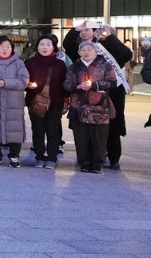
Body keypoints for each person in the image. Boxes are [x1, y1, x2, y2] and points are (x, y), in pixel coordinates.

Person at [62, 21, 131, 170]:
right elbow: (68, 45)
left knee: (111, 126)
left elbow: (126, 55)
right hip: (84, 95)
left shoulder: (110, 47)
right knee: (85, 127)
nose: (84, 32)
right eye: (83, 30)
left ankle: (113, 157)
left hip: (111, 94)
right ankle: (86, 158)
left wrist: (111, 38)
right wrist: (76, 29)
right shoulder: (84, 48)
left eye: (88, 30)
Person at [64, 40, 116, 173]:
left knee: (99, 136)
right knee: (81, 136)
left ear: (96, 52)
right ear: (79, 52)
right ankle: (84, 162)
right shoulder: (74, 67)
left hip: (99, 106)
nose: (86, 52)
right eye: (83, 50)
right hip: (78, 105)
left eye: (89, 50)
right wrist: (78, 86)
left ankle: (97, 163)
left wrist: (94, 85)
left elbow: (112, 83)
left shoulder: (105, 65)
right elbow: (67, 84)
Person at [0, 36, 30, 168]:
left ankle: (14, 155)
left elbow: (24, 81)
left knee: (14, 128)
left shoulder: (18, 63)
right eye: (2, 46)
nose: (5, 49)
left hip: (13, 103)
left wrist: (6, 83)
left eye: (8, 46)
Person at [24, 35, 68, 169]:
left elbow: (65, 84)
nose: (45, 47)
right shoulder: (29, 63)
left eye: (48, 44)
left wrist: (66, 101)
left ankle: (52, 157)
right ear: (37, 46)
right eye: (42, 44)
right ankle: (39, 156)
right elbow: (23, 81)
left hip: (55, 103)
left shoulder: (60, 64)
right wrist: (28, 85)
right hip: (35, 103)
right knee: (37, 130)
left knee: (53, 131)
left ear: (54, 47)